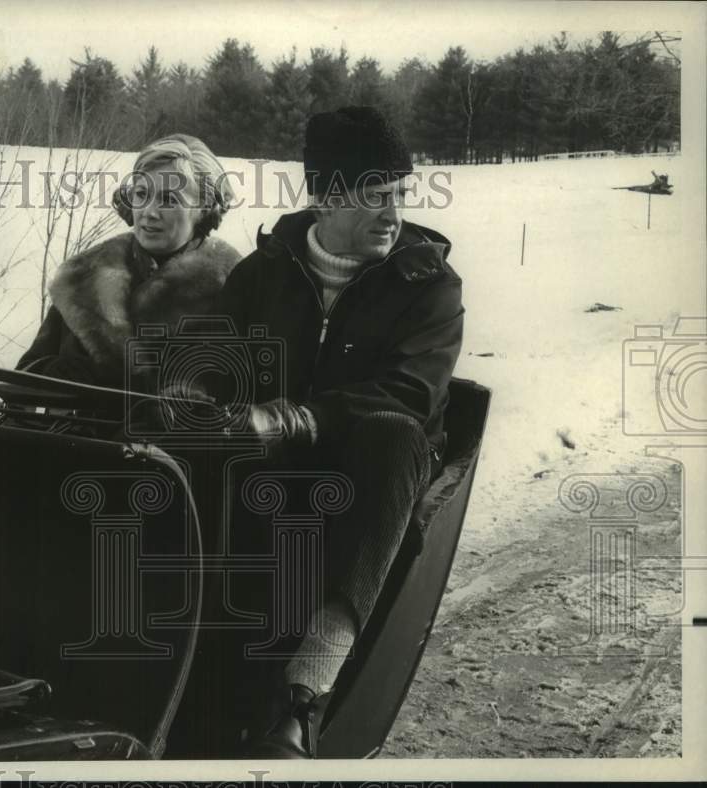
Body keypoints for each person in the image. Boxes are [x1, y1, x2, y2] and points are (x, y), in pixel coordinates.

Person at [203, 106, 464, 757]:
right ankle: (195, 681)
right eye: (375, 198)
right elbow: (210, 364)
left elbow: (410, 393)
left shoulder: (428, 283)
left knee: (393, 432)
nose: (394, 214)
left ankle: (306, 693)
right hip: (270, 470)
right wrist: (200, 403)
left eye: (399, 195)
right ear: (324, 200)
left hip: (373, 477)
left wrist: (296, 417)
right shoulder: (262, 273)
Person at [14, 134, 242, 391]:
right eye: (142, 194)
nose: (149, 212)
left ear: (203, 208)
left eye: (169, 200)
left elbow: (240, 394)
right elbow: (23, 380)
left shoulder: (234, 285)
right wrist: (51, 373)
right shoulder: (82, 276)